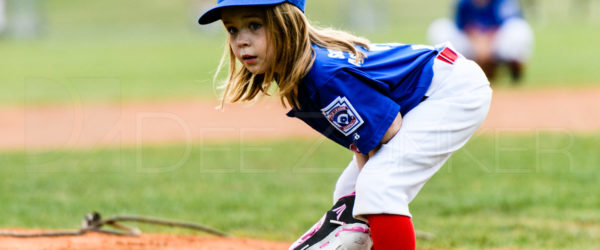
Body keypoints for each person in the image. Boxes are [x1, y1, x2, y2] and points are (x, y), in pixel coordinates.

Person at [198, 0, 492, 249]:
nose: (241, 40)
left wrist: (368, 198)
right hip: (428, 91)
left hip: (450, 90)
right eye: (233, 29)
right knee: (348, 192)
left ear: (288, 24)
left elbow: (388, 130)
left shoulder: (322, 76)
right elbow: (365, 135)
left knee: (379, 186)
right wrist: (358, 206)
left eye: (254, 25)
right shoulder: (304, 73)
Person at [428, 0, 534, 82]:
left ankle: (514, 67)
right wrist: (478, 42)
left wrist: (487, 44)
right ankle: (452, 74)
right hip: (473, 44)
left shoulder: (504, 2)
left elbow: (508, 22)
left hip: (497, 42)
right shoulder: (464, 3)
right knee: (439, 28)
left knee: (518, 28)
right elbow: (461, 26)